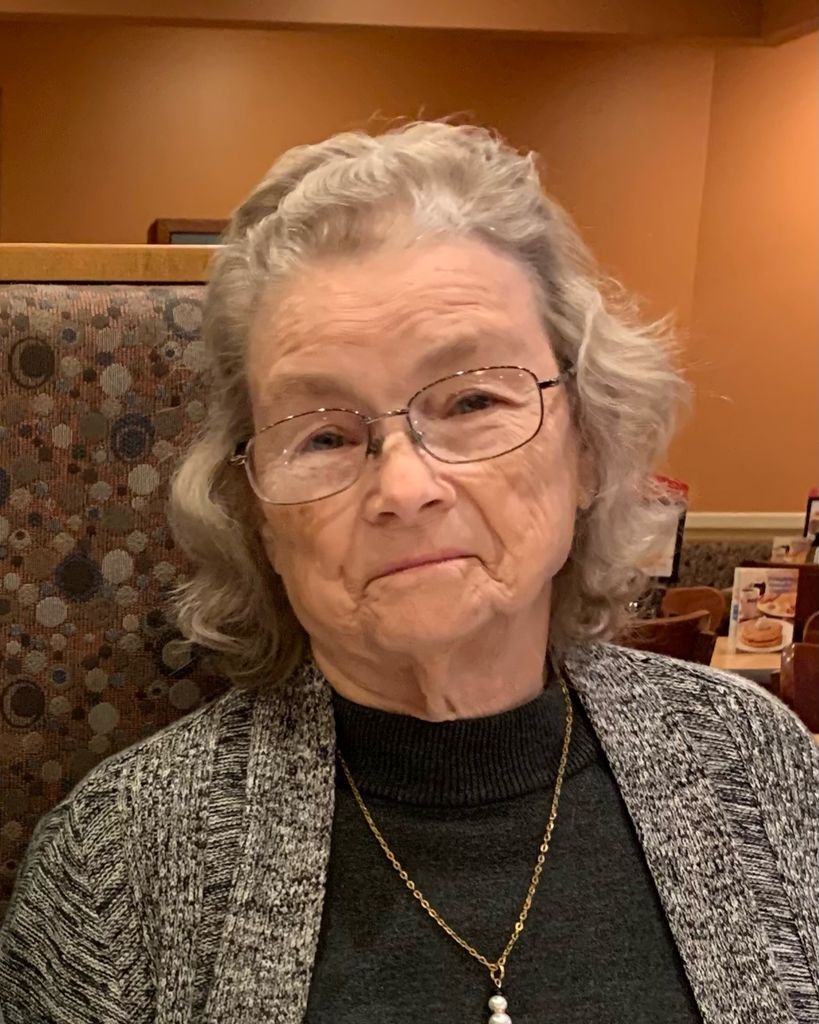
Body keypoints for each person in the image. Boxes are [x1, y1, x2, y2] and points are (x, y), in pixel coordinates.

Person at [1, 121, 817, 1024]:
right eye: (322, 435)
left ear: (586, 447)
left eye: (471, 400)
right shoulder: (118, 866)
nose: (403, 487)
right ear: (256, 512)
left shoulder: (754, 763)